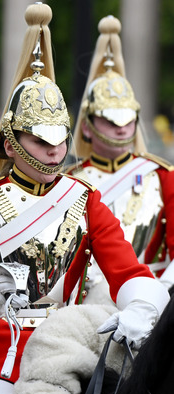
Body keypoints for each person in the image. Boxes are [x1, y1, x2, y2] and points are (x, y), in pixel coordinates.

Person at [0, 4, 169, 394]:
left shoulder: (85, 200)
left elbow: (126, 270)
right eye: (41, 141)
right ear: (10, 140)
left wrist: (142, 307)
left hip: (61, 353)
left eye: (61, 139)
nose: (57, 152)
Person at [66, 15, 174, 299]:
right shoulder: (68, 181)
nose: (122, 127)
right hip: (82, 301)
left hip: (147, 294)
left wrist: (156, 296)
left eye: (128, 118)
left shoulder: (163, 177)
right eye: (111, 119)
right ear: (87, 126)